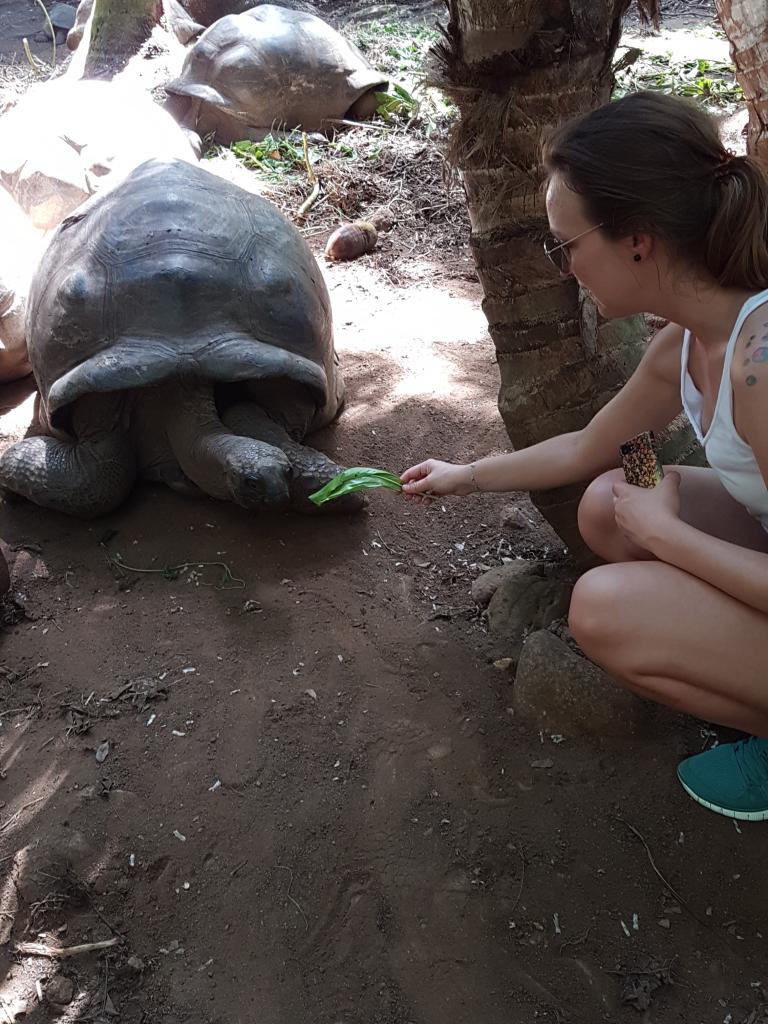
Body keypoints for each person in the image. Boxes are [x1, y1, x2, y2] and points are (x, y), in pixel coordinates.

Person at [401, 90, 768, 822]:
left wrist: (668, 534)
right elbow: (590, 446)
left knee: (598, 609)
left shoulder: (759, 369)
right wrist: (463, 478)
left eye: (565, 245)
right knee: (610, 500)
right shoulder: (688, 339)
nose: (564, 267)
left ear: (636, 238)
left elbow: (656, 518)